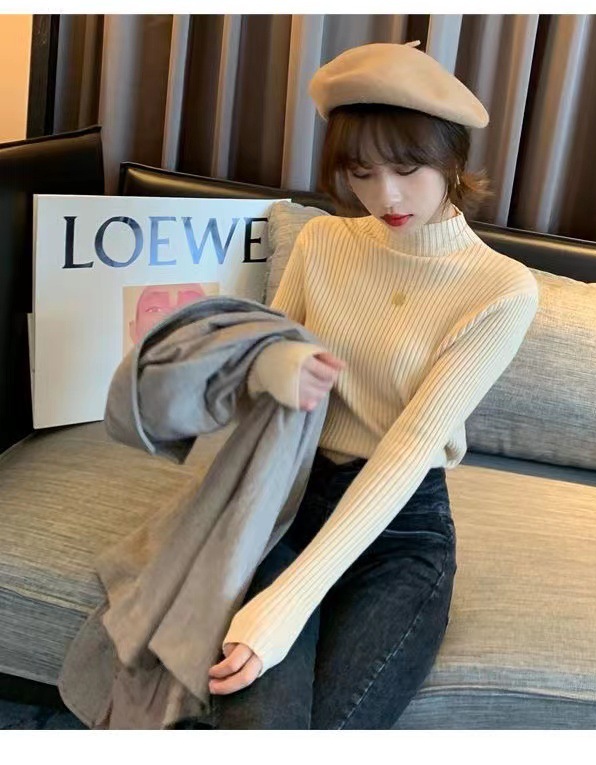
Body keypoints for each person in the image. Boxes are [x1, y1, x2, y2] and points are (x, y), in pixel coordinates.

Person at [197, 40, 539, 730]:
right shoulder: (322, 242)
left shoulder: (501, 290)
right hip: (290, 497)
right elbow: (263, 370)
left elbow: (409, 448)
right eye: (362, 172)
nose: (385, 196)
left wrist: (285, 603)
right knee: (259, 723)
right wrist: (272, 369)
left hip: (400, 527)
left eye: (407, 169)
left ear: (452, 158)